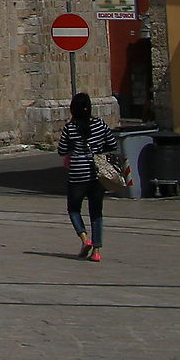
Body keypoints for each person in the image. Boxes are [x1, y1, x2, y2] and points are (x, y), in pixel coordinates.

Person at [57, 90, 128, 262]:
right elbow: (112, 144)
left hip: (77, 174)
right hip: (97, 174)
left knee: (73, 209)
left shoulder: (70, 128)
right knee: (96, 212)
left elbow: (61, 150)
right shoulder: (100, 125)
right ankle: (97, 251)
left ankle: (84, 238)